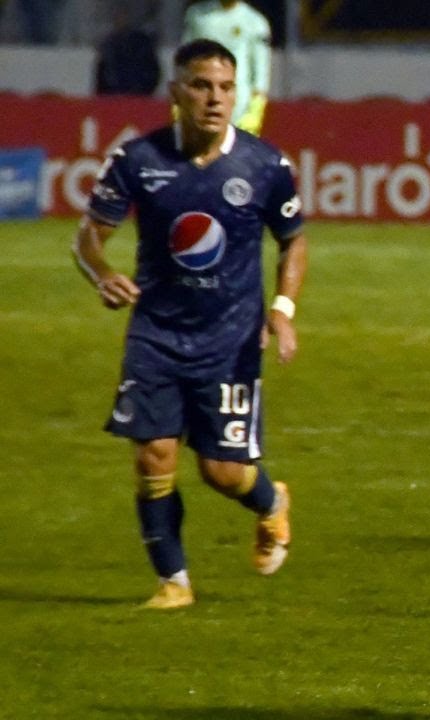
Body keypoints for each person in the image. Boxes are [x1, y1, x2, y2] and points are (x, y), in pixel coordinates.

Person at [73, 38, 308, 610]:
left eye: (226, 87)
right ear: (176, 91)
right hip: (155, 334)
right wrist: (101, 272)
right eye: (202, 85)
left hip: (229, 341)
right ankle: (173, 582)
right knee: (153, 454)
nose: (215, 98)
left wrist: (282, 310)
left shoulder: (265, 165)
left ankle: (271, 503)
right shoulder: (137, 160)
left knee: (223, 472)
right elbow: (88, 237)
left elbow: (293, 242)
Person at [181, 0, 271, 134]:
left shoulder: (255, 22)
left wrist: (255, 108)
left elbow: (261, 69)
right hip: (201, 98)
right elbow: (185, 59)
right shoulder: (198, 16)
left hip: (240, 103)